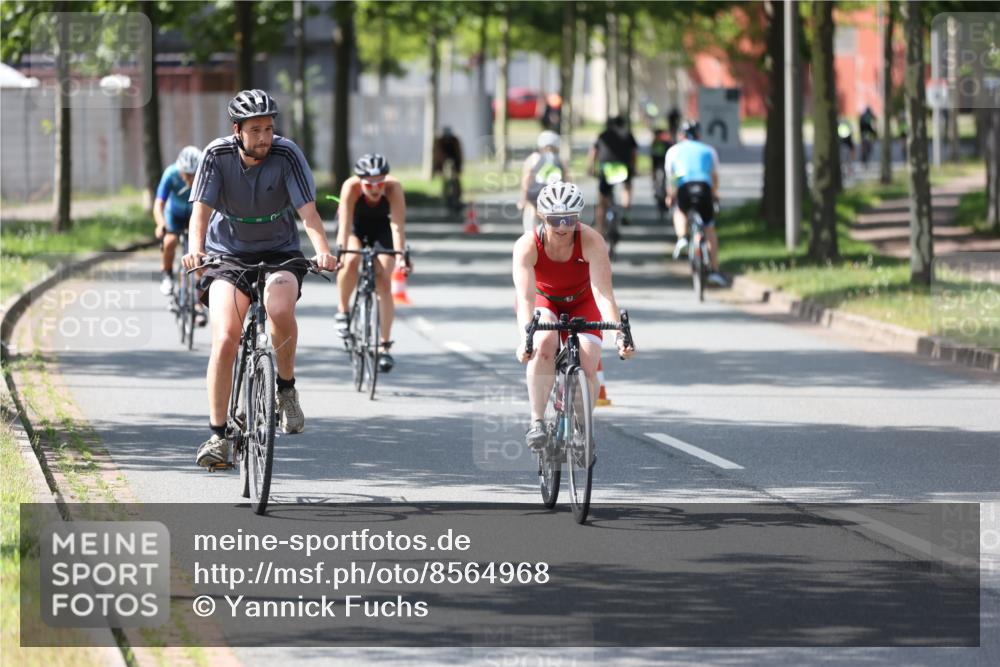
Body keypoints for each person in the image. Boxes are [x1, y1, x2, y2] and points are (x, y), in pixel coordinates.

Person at [182, 89, 337, 468]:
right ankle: (218, 435)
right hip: (227, 255)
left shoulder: (287, 154)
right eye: (256, 130)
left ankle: (285, 390)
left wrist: (323, 250)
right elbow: (199, 214)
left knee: (278, 306)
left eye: (269, 128)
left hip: (280, 250)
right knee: (224, 338)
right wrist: (195, 251)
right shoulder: (216, 156)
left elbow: (310, 214)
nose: (265, 137)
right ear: (237, 130)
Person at [512, 181, 635, 450]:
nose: (562, 226)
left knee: (589, 358)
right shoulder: (527, 245)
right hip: (545, 300)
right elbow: (525, 299)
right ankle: (537, 421)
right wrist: (525, 340)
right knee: (544, 343)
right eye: (555, 219)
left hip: (582, 300)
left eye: (569, 218)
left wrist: (618, 336)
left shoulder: (592, 241)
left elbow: (603, 294)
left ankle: (582, 426)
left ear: (577, 217)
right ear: (543, 216)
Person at [333, 153, 412, 372]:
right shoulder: (351, 187)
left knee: (384, 280)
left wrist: (402, 257)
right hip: (355, 226)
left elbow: (397, 226)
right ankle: (343, 310)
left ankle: (384, 347)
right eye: (369, 184)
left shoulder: (394, 188)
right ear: (361, 182)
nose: (375, 189)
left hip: (381, 228)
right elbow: (345, 226)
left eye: (380, 183)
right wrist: (340, 255)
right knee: (352, 258)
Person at [664, 120, 728, 288]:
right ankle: (714, 271)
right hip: (704, 188)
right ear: (698, 135)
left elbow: (672, 178)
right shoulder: (709, 150)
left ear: (681, 135)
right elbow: (714, 176)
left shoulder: (672, 151)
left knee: (679, 209)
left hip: (685, 187)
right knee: (709, 228)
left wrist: (670, 196)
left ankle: (682, 238)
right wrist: (715, 193)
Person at [154, 146, 202, 307]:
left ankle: (198, 302)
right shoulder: (171, 174)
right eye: (186, 175)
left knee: (199, 255)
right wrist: (161, 224)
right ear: (180, 170)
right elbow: (158, 204)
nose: (190, 179)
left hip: (194, 216)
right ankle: (167, 274)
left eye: (193, 175)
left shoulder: (205, 175)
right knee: (170, 242)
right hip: (173, 215)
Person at [587, 115, 638, 234]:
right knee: (627, 187)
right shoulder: (628, 134)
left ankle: (599, 229)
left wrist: (591, 168)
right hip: (623, 168)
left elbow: (593, 152)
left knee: (602, 200)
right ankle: (626, 212)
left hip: (607, 169)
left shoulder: (602, 135)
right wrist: (634, 168)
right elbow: (634, 152)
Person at [518, 131, 571, 234]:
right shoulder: (560, 160)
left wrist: (523, 199)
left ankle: (529, 233)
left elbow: (526, 179)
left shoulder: (533, 158)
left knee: (531, 208)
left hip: (535, 195)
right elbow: (567, 180)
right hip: (554, 197)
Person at [650, 109, 681, 219]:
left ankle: (658, 193)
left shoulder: (658, 140)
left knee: (658, 180)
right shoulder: (668, 138)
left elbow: (652, 155)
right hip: (663, 162)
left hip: (658, 162)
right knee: (667, 180)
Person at [432, 127, 463, 212]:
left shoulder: (455, 141)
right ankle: (446, 200)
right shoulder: (440, 141)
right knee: (446, 182)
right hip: (444, 164)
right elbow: (438, 155)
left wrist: (459, 166)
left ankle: (457, 199)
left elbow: (459, 154)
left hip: (454, 163)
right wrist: (438, 168)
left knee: (456, 181)